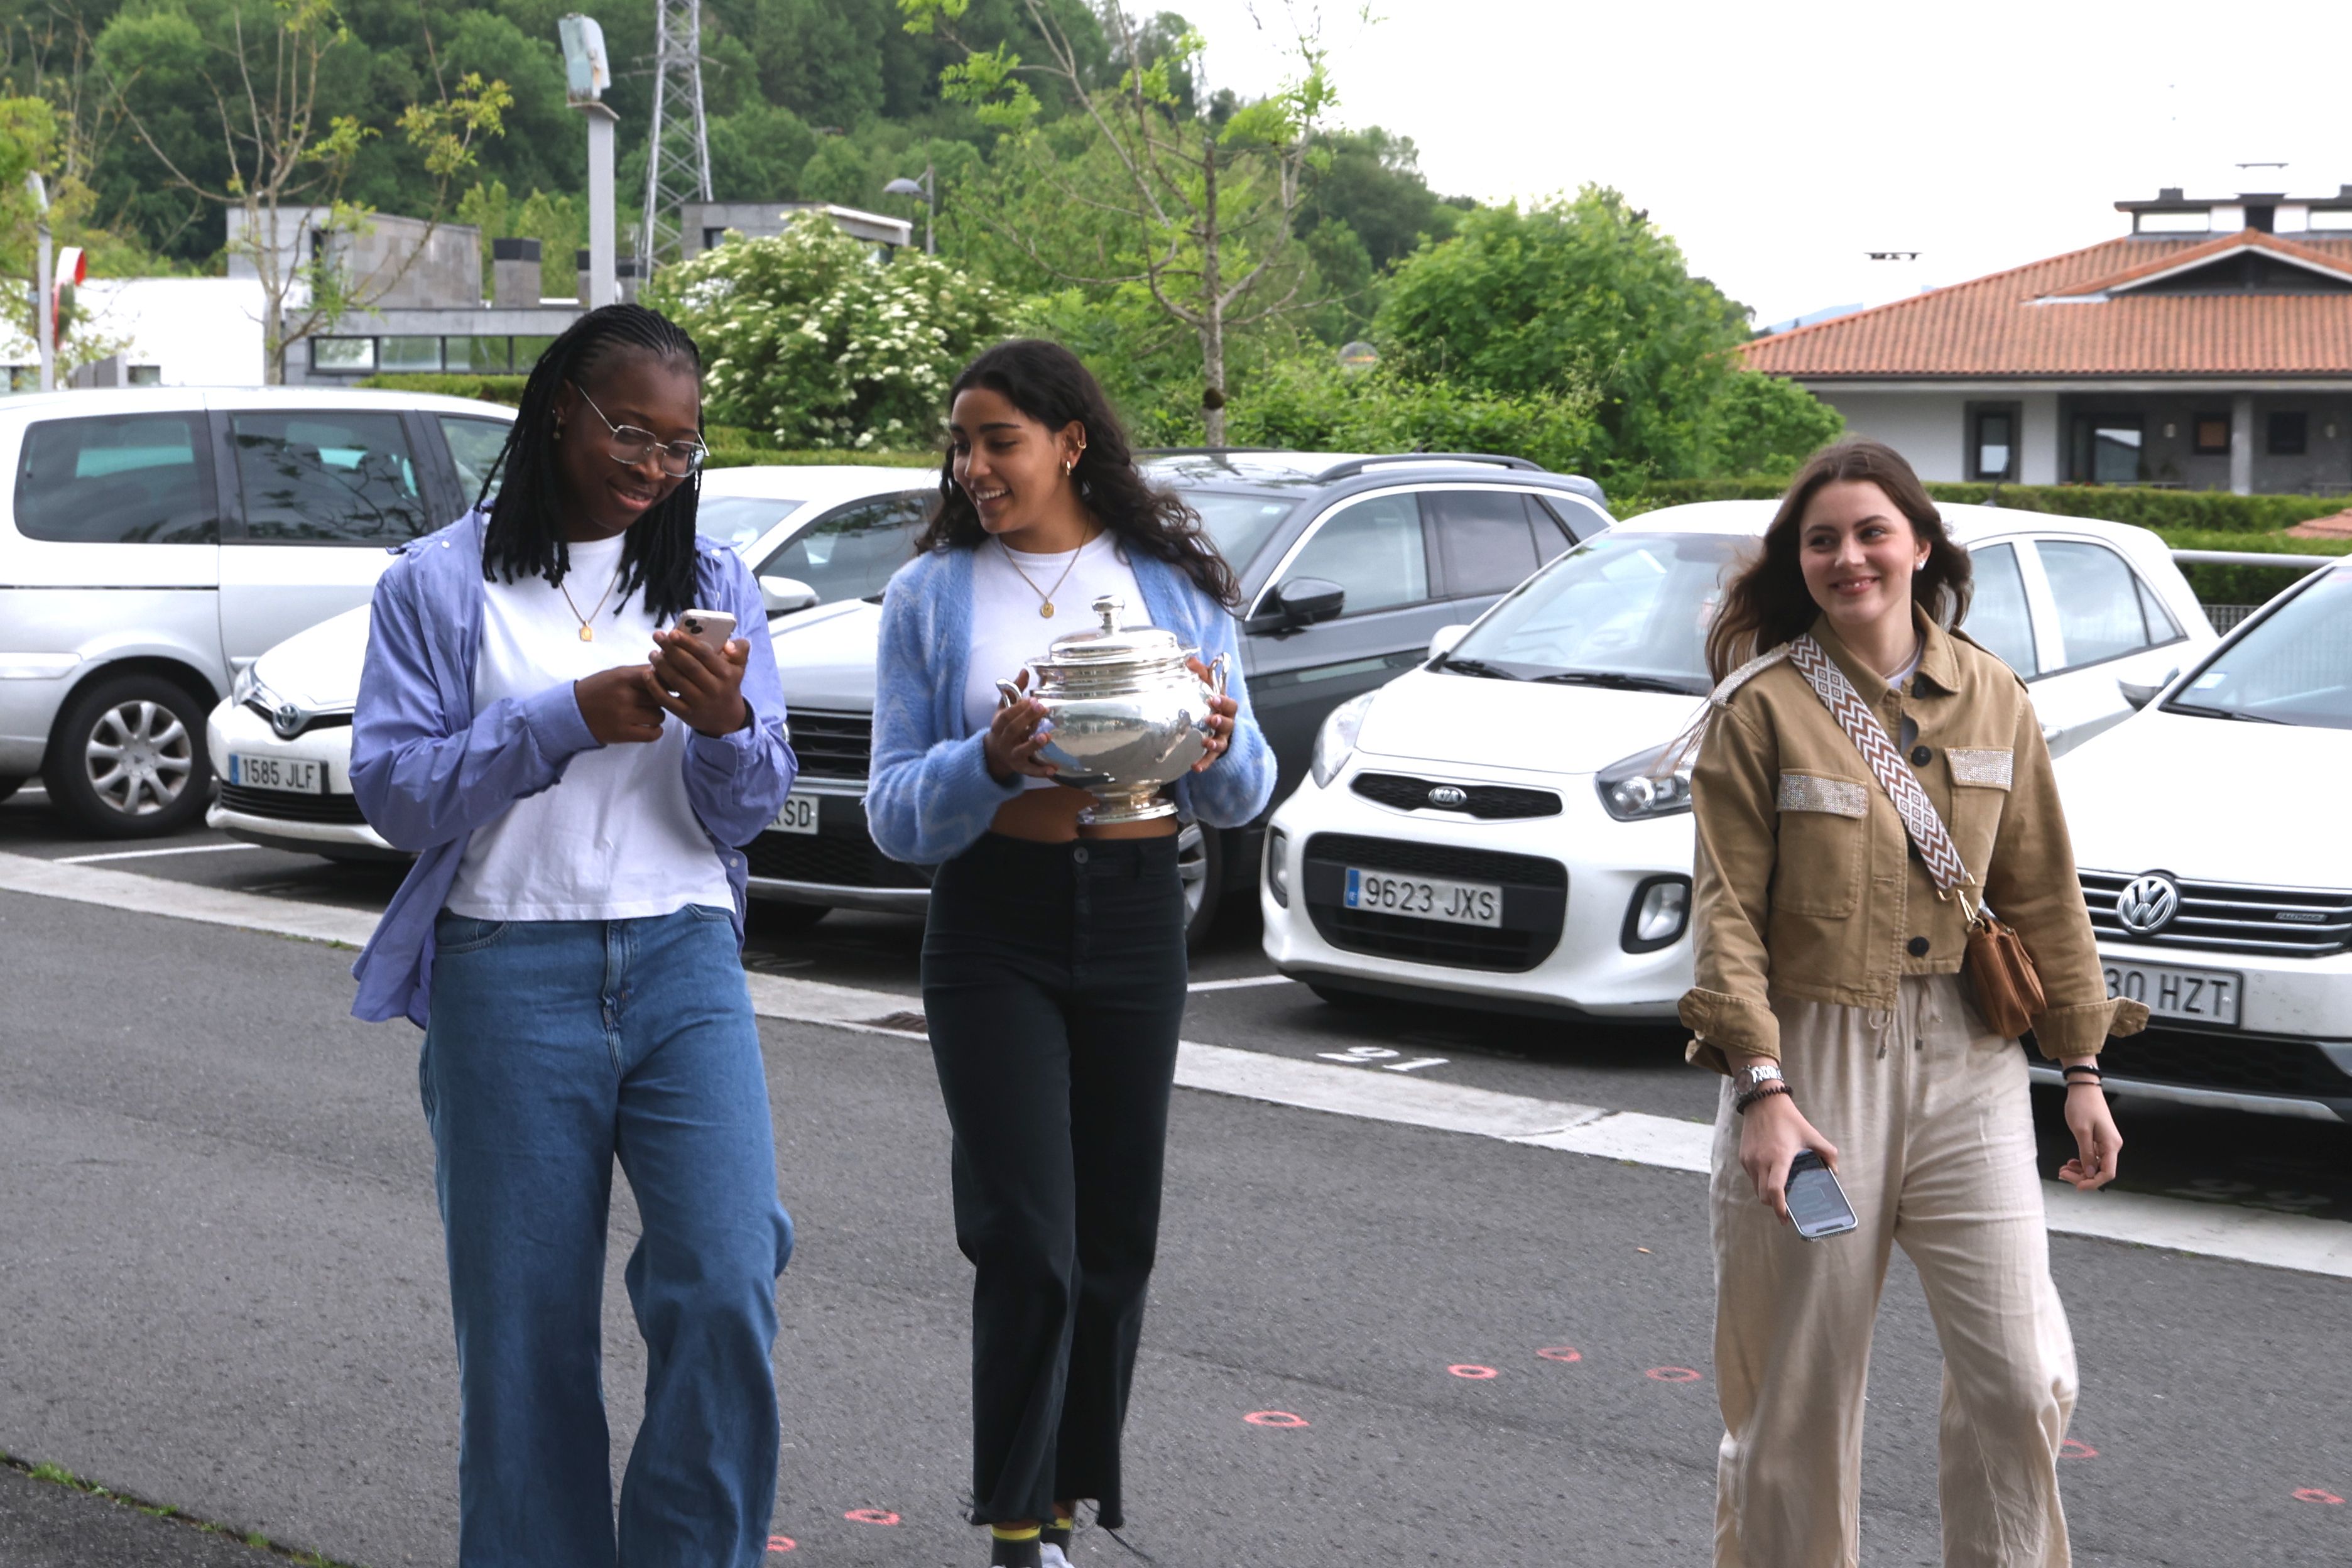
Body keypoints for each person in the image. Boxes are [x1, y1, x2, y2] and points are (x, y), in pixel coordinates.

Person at [348, 303, 798, 1568]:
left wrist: (723, 729)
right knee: (526, 1339)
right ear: (560, 411)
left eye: (683, 445)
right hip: (506, 970)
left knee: (723, 1282)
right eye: (632, 432)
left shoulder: (714, 586)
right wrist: (555, 723)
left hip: (683, 962)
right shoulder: (438, 583)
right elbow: (394, 795)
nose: (657, 466)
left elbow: (752, 809)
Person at [1681, 438, 2148, 1568]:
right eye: (1824, 539)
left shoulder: (1994, 695)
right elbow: (1727, 917)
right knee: (1796, 1396)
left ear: (1921, 544)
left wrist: (2081, 1069)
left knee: (2025, 1377)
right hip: (1814, 1059)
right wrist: (1762, 1091)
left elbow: (2042, 890)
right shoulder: (1761, 707)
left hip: (1971, 1059)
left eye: (1872, 532)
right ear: (1800, 562)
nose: (1851, 557)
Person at [866, 339, 1275, 1567]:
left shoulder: (1171, 585)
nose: (974, 465)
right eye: (962, 443)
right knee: (1026, 1234)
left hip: (1142, 911)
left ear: (1070, 441)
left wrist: (1214, 740)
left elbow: (1246, 786)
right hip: (996, 919)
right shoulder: (934, 595)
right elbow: (893, 812)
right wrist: (988, 762)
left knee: (1114, 1240)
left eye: (999, 440)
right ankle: (1013, 1525)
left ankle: (1061, 1503)